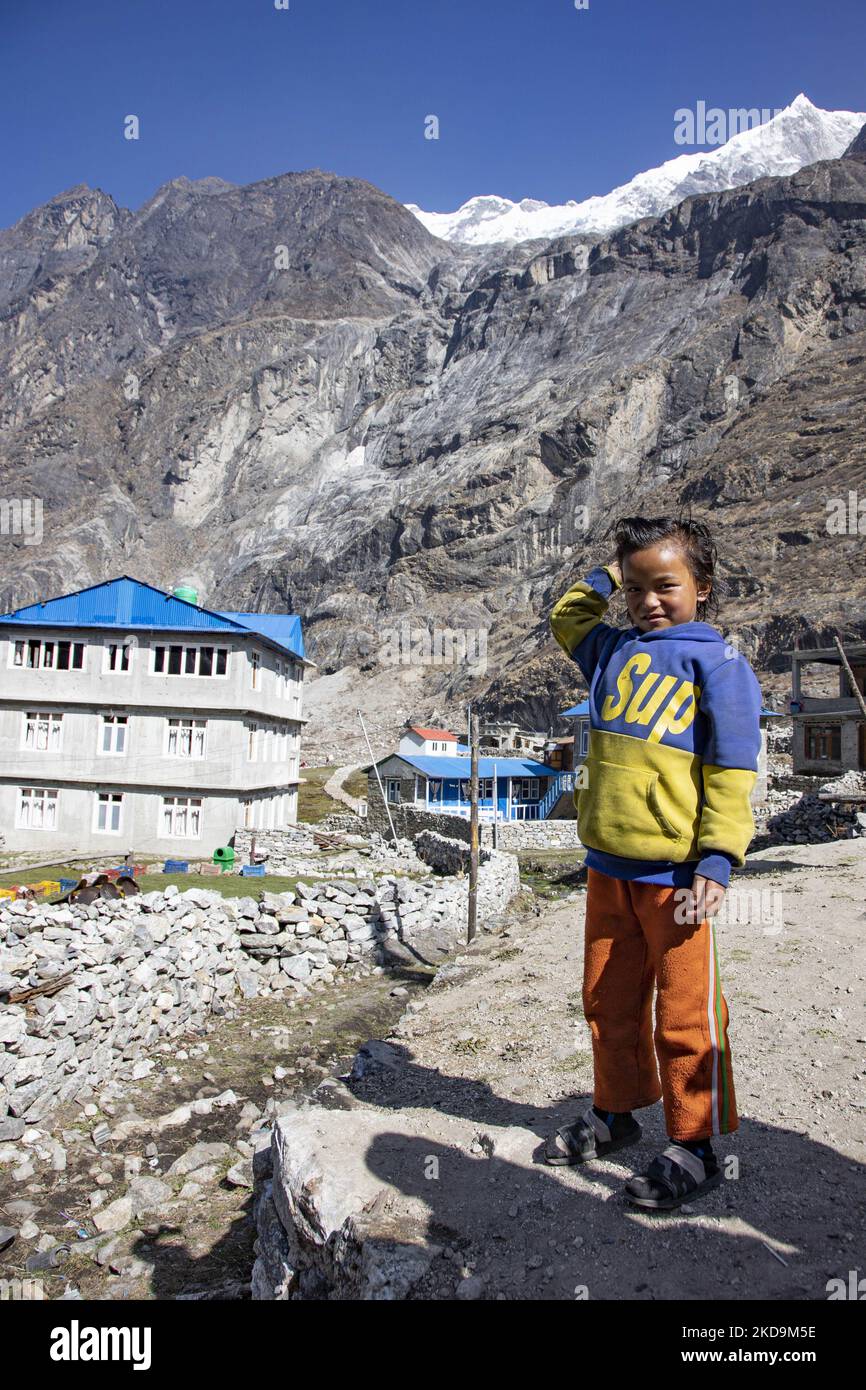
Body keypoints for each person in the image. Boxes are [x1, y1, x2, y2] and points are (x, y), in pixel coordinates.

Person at [545, 514, 762, 1210]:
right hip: (608, 871)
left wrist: (718, 860)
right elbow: (566, 614)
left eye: (664, 584)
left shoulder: (720, 664)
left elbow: (732, 771)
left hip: (676, 880)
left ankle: (694, 1147)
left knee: (684, 1015)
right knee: (608, 1002)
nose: (648, 601)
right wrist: (614, 569)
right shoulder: (608, 650)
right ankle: (614, 1115)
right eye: (634, 589)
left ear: (702, 587)